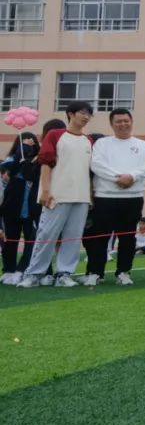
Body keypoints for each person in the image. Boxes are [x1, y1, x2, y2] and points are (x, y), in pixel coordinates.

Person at [16, 102, 95, 288]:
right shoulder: (55, 135)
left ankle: (64, 274)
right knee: (46, 235)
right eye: (82, 113)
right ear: (71, 114)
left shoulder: (88, 140)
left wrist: (90, 196)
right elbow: (45, 162)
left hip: (81, 197)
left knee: (73, 238)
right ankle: (34, 274)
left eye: (89, 114)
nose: (86, 117)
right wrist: (45, 190)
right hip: (56, 195)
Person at [83, 109, 145, 287]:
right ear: (111, 124)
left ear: (131, 121)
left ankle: (123, 272)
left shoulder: (143, 145)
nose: (123, 124)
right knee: (100, 237)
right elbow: (97, 165)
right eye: (118, 121)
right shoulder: (102, 144)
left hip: (133, 198)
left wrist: (131, 177)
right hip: (105, 197)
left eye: (126, 121)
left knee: (127, 238)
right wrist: (118, 178)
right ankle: (95, 272)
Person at [0, 132, 41, 285]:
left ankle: (22, 270)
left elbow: (30, 173)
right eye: (24, 144)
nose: (29, 146)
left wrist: (28, 152)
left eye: (31, 143)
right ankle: (9, 270)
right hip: (11, 209)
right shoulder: (12, 160)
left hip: (32, 210)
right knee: (10, 240)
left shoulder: (38, 162)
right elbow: (10, 167)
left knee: (31, 241)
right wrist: (23, 149)